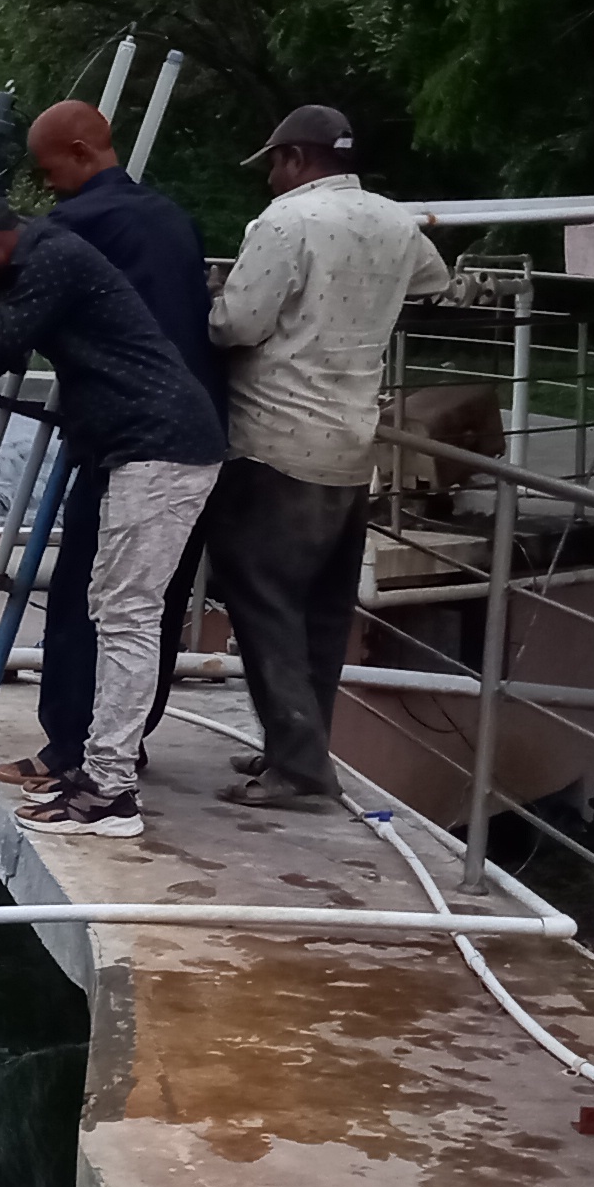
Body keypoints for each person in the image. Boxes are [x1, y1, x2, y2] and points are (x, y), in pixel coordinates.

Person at [0, 185, 230, 838]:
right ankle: (96, 776)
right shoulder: (46, 252)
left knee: (128, 618)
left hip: (160, 448)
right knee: (117, 610)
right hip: (146, 447)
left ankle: (111, 794)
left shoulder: (50, 260)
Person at [0, 101, 224, 799]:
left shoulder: (69, 234)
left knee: (95, 606)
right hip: (186, 426)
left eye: (49, 168)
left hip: (135, 440)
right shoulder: (170, 221)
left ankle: (84, 758)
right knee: (149, 605)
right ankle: (120, 745)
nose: (47, 187)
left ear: (84, 148)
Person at [200, 104, 453, 810]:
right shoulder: (397, 221)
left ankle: (301, 769)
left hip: (274, 440)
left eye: (274, 165)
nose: (271, 180)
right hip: (350, 443)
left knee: (263, 603)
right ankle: (297, 748)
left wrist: (210, 300)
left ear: (299, 158)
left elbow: (237, 324)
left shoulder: (284, 223)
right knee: (320, 610)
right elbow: (434, 281)